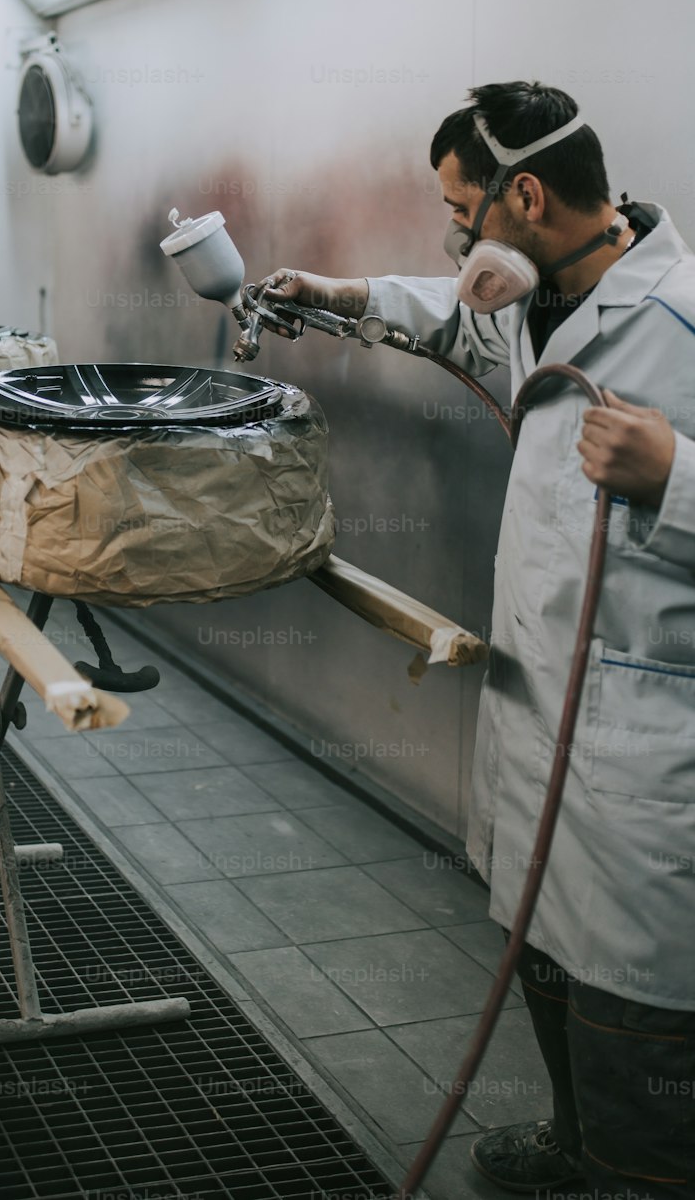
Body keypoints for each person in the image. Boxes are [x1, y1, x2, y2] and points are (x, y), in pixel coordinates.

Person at [258, 81, 695, 1200]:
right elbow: (447, 311)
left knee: (634, 1010)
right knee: (538, 945)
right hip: (534, 708)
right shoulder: (528, 294)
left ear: (529, 195)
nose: (457, 238)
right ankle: (565, 1147)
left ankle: (629, 1174)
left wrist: (675, 478)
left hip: (645, 741)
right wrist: (336, 293)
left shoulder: (686, 322)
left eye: (466, 213)